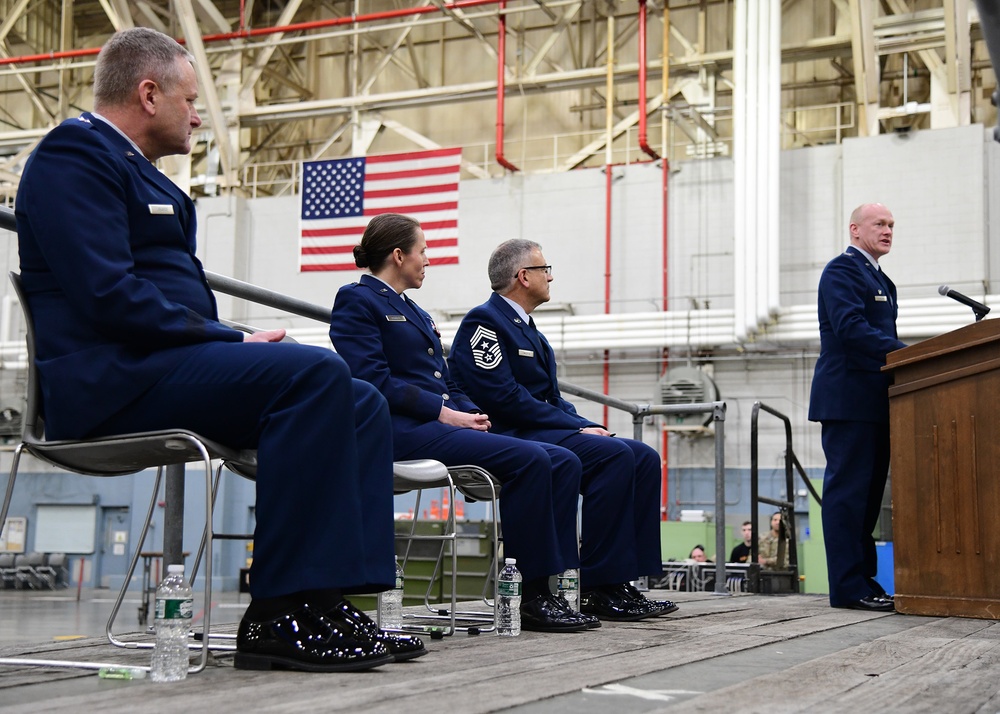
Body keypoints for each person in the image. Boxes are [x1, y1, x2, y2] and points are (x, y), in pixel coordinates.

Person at [14, 27, 424, 672]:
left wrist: (224, 342)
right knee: (314, 373)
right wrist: (227, 338)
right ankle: (278, 612)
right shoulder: (75, 155)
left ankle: (329, 597)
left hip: (162, 366)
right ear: (149, 94)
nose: (199, 115)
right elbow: (105, 293)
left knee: (361, 399)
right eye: (190, 100)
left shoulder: (142, 174)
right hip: (112, 379)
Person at [329, 213, 594, 632]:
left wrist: (473, 415)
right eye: (422, 252)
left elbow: (447, 380)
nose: (427, 260)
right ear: (399, 256)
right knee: (530, 460)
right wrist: (443, 413)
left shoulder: (414, 311)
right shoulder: (356, 300)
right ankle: (529, 596)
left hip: (439, 426)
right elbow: (371, 379)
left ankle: (555, 587)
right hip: (399, 430)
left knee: (561, 460)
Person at [449, 239, 676, 621]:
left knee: (642, 456)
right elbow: (504, 398)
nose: (550, 276)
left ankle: (619, 579)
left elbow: (552, 399)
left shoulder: (530, 331)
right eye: (544, 269)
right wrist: (574, 426)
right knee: (615, 456)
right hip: (509, 434)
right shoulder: (484, 322)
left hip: (540, 430)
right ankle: (599, 585)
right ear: (523, 276)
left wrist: (587, 424)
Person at [809, 203, 905, 613]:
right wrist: (906, 355)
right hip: (849, 399)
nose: (887, 231)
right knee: (848, 495)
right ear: (855, 230)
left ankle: (864, 580)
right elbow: (850, 328)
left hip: (875, 401)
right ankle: (848, 588)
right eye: (879, 224)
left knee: (866, 499)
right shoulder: (842, 270)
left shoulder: (880, 277)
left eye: (891, 225)